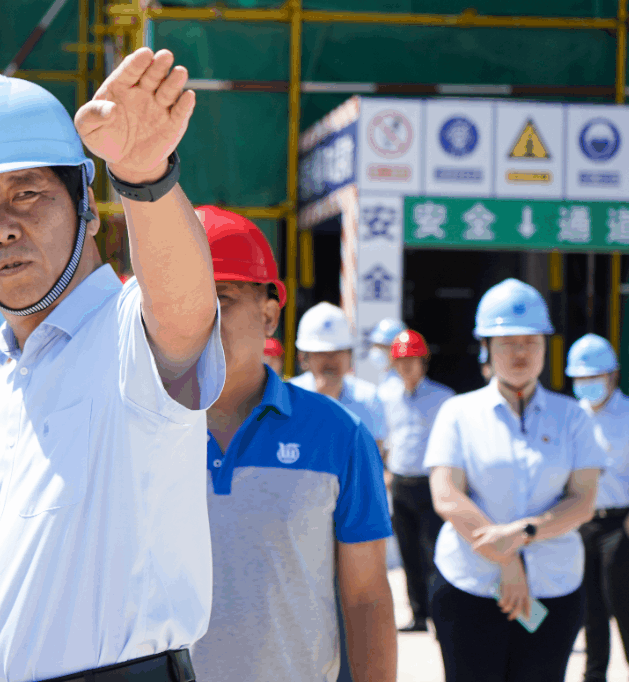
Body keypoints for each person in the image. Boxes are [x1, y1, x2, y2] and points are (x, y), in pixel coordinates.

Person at [0, 49, 224, 682]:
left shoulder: (126, 336)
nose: (1, 229)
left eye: (27, 193)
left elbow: (182, 312)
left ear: (86, 204)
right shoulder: (6, 383)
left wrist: (144, 178)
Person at [188, 206, 396, 682]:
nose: (199, 319)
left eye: (221, 298)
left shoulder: (339, 435)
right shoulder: (134, 431)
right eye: (182, 300)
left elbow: (366, 597)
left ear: (268, 314)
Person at [425, 278, 604, 682]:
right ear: (486, 347)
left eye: (531, 342)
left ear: (545, 347)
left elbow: (582, 501)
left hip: (553, 586)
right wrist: (506, 559)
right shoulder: (458, 413)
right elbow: (447, 495)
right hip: (470, 583)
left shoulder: (572, 417)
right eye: (508, 342)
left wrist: (522, 534)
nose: (521, 352)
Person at [377, 329, 454, 633]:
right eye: (400, 361)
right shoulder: (385, 397)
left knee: (435, 552)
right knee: (408, 553)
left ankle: (441, 614)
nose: (406, 366)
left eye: (412, 360)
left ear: (424, 361)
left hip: (431, 484)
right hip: (400, 483)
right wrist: (384, 469)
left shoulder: (443, 398)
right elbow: (382, 439)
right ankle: (418, 615)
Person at [566, 333, 629, 682]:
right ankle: (594, 674)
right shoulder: (572, 416)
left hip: (620, 524)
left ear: (612, 375)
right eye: (581, 378)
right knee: (590, 606)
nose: (587, 383)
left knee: (623, 603)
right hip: (582, 522)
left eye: (594, 376)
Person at [290, 302, 387, 450]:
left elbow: (374, 455)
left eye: (337, 352)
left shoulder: (369, 399)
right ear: (303, 358)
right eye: (321, 353)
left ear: (349, 355)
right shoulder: (287, 398)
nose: (331, 360)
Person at [362, 318, 406, 383]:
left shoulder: (400, 382)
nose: (377, 350)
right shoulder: (385, 375)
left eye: (382, 346)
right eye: (376, 345)